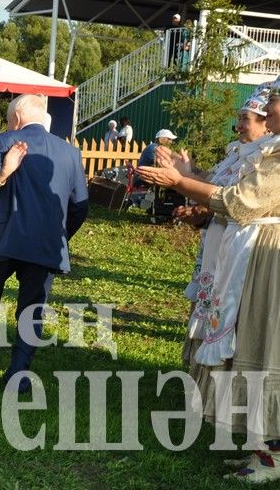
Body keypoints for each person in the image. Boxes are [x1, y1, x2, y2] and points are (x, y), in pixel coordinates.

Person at [137, 88, 280, 483]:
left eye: (272, 105)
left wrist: (180, 181)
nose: (267, 111)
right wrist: (185, 177)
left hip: (268, 257)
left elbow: (240, 202)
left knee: (263, 346)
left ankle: (271, 455)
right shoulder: (263, 152)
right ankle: (263, 449)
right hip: (250, 254)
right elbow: (226, 195)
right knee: (252, 343)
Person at [0, 94, 89, 393]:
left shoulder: (6, 141)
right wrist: (60, 234)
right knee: (32, 310)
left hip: (2, 240)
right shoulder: (70, 154)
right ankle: (18, 373)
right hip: (45, 244)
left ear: (15, 117)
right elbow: (80, 206)